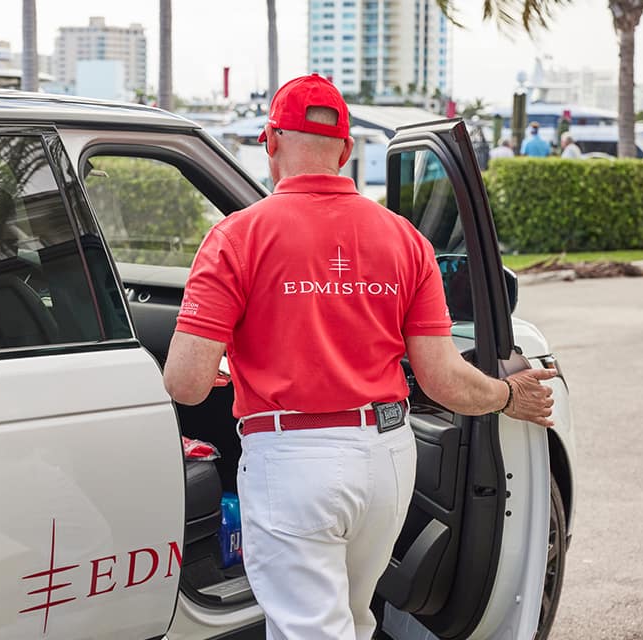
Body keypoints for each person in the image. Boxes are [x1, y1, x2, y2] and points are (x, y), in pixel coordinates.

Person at [163, 74, 556, 640]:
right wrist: (507, 395)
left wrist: (236, 360)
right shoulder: (404, 240)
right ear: (347, 151)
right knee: (354, 617)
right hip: (386, 463)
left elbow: (187, 384)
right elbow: (442, 378)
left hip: (292, 464)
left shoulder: (234, 239)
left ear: (270, 140)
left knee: (310, 629)